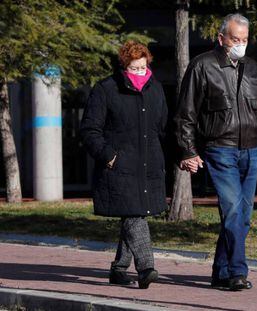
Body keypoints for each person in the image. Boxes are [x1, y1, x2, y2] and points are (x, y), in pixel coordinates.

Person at [174, 13, 257, 291]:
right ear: (221, 38)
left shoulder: (255, 71)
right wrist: (188, 150)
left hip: (252, 150)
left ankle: (220, 271)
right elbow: (185, 114)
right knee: (233, 211)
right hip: (220, 149)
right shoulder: (202, 66)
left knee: (243, 216)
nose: (240, 44)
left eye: (245, 40)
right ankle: (238, 271)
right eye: (235, 39)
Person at [80, 41, 168, 289]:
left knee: (136, 213)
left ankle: (119, 269)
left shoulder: (156, 90)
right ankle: (146, 267)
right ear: (123, 67)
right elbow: (89, 130)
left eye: (143, 67)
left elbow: (161, 127)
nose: (140, 73)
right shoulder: (106, 89)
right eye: (134, 68)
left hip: (148, 165)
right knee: (134, 215)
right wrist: (109, 155)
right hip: (119, 167)